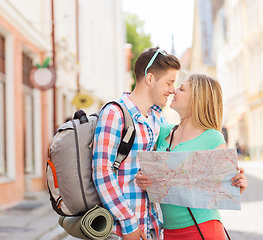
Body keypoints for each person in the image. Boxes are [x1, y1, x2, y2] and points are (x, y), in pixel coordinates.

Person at [136, 74, 248, 240]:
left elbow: (223, 188)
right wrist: (142, 179)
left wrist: (238, 185)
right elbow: (151, 176)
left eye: (181, 89)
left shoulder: (213, 138)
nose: (174, 90)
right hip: (168, 231)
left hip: (203, 229)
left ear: (197, 99)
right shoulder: (163, 131)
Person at [92, 47, 181, 240]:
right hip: (121, 231)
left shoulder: (157, 120)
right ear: (150, 79)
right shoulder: (114, 114)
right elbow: (102, 173)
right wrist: (128, 222)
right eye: (169, 82)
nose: (173, 90)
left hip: (152, 227)